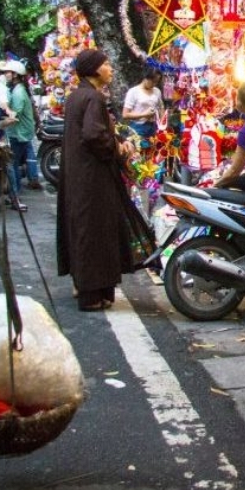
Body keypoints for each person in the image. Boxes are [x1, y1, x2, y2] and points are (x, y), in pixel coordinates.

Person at [56, 49, 144, 311]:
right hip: (93, 177)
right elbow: (94, 135)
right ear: (94, 70)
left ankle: (91, 287)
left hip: (79, 175)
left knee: (84, 228)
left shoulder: (77, 95)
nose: (111, 69)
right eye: (106, 65)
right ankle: (92, 294)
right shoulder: (93, 97)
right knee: (95, 231)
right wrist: (117, 148)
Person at [3, 60, 42, 208]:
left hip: (19, 133)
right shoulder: (17, 89)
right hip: (20, 132)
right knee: (15, 162)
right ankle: (15, 194)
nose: (6, 75)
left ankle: (15, 195)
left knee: (12, 164)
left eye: (8, 72)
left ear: (15, 75)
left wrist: (0, 124)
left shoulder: (18, 92)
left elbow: (14, 115)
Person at [121, 66, 164, 139]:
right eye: (153, 81)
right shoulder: (133, 91)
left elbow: (161, 107)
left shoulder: (157, 91)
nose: (154, 84)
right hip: (138, 127)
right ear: (146, 77)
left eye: (156, 81)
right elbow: (125, 115)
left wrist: (162, 124)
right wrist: (144, 114)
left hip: (154, 126)